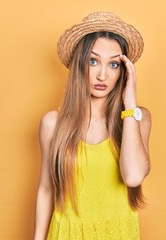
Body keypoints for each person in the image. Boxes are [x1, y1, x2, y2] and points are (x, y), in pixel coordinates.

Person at [34, 11, 151, 240]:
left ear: (124, 72)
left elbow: (134, 177)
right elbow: (46, 189)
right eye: (93, 61)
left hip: (119, 234)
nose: (102, 75)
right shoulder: (52, 124)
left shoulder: (137, 118)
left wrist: (129, 105)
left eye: (114, 65)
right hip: (67, 233)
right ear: (80, 65)